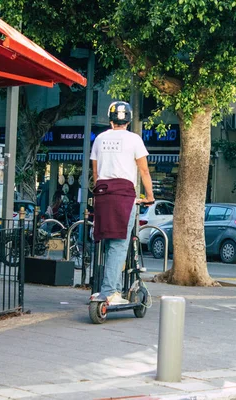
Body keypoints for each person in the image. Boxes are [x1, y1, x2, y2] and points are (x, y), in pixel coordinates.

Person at [90, 101, 154, 305]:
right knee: (119, 244)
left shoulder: (99, 139)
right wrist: (149, 196)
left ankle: (114, 289)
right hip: (124, 197)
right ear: (128, 119)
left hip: (102, 194)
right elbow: (144, 170)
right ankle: (109, 292)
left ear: (110, 119)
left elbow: (95, 172)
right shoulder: (134, 139)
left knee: (108, 242)